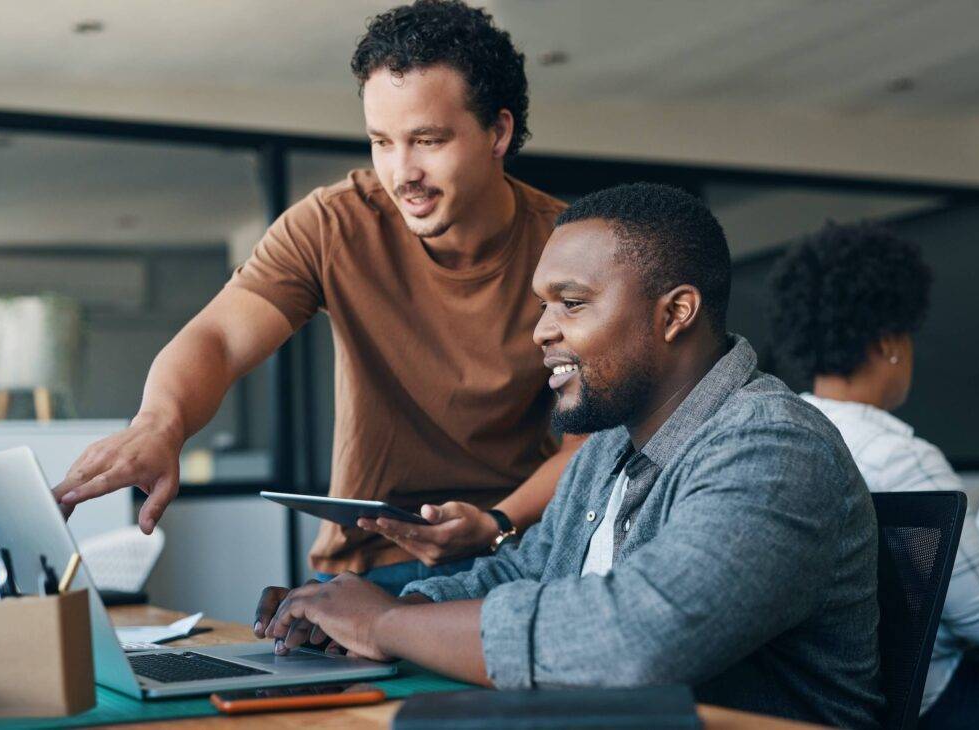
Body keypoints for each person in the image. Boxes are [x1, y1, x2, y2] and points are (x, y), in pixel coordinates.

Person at [252, 183, 885, 729]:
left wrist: (385, 627)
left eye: (572, 303)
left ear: (676, 314)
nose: (542, 331)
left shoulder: (773, 448)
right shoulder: (609, 446)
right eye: (543, 305)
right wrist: (363, 611)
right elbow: (521, 574)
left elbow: (639, 639)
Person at [51, 0, 583, 594]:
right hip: (367, 562)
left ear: (498, 133)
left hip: (513, 554)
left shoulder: (568, 249)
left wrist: (497, 523)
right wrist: (160, 424)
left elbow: (593, 443)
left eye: (427, 140)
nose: (401, 171)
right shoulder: (333, 225)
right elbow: (220, 338)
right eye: (382, 141)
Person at [769, 221, 979, 728]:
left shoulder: (780, 431)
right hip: (930, 702)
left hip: (824, 695)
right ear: (892, 343)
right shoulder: (902, 457)